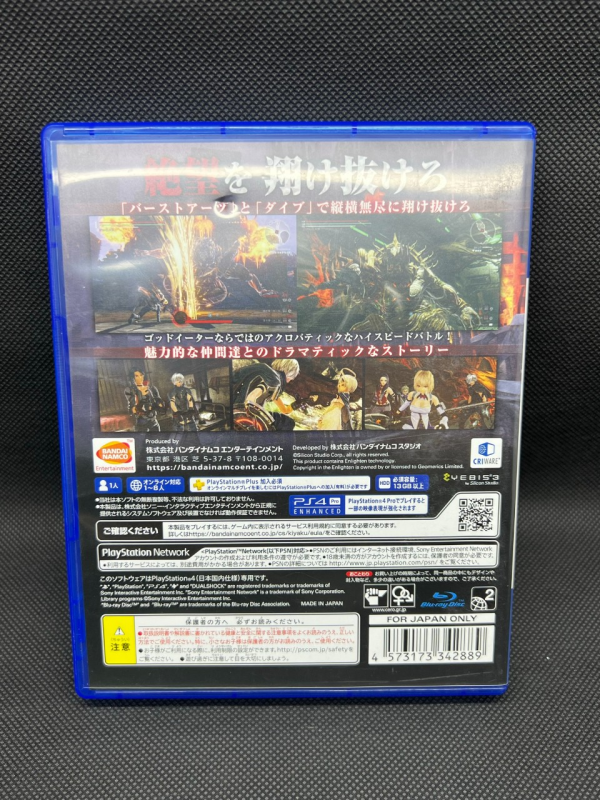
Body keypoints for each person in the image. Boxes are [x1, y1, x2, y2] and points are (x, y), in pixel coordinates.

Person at [232, 359, 300, 431]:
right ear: (289, 375)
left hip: (237, 407)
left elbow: (284, 410)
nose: (288, 382)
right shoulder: (274, 381)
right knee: (288, 423)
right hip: (243, 415)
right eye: (290, 379)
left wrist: (295, 404)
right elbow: (251, 398)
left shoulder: (262, 371)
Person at [124, 367, 165, 432]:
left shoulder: (151, 388)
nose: (140, 378)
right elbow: (134, 409)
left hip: (153, 421)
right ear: (133, 378)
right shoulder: (130, 390)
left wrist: (158, 403)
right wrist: (141, 394)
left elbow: (159, 403)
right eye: (137, 376)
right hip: (141, 422)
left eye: (141, 375)